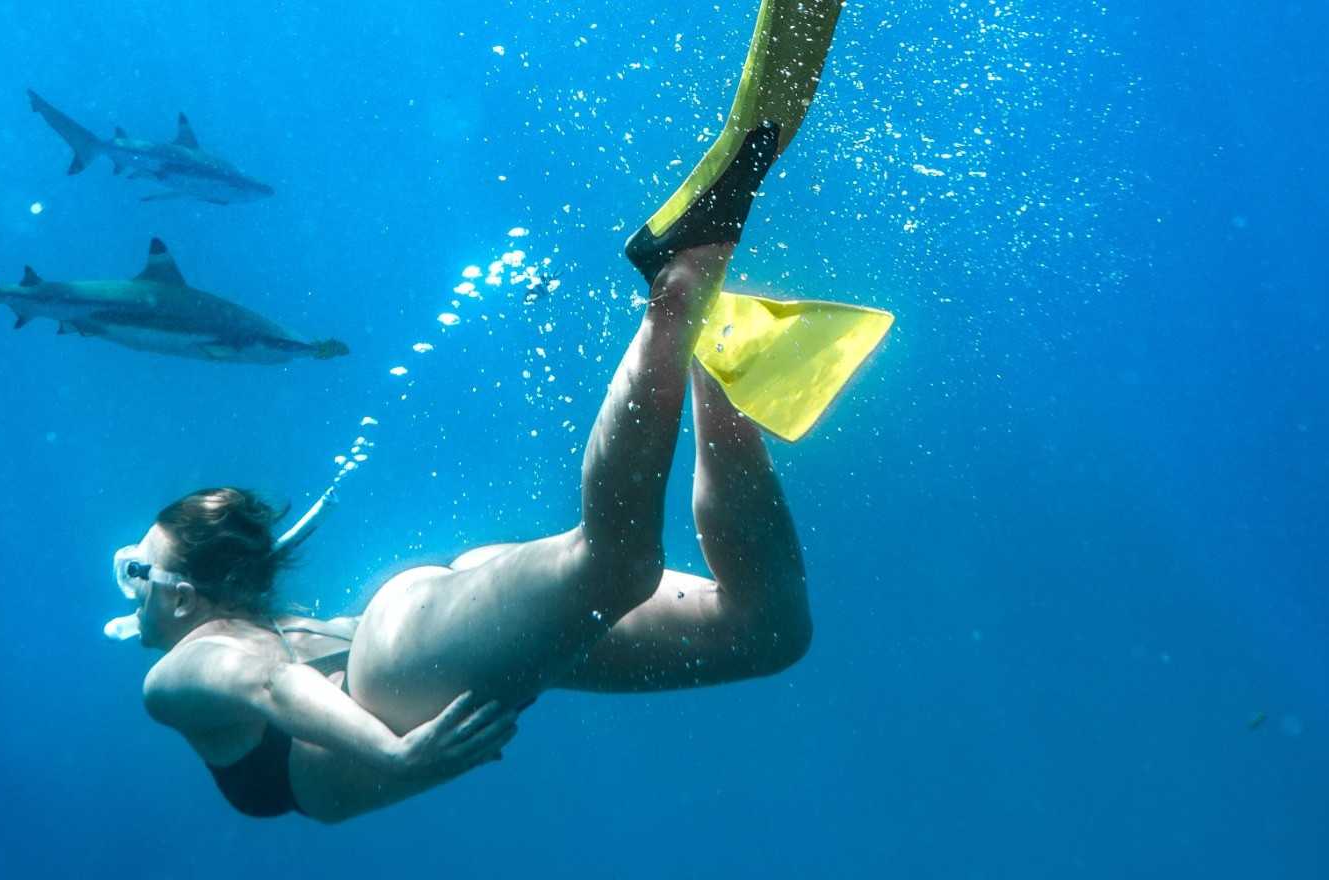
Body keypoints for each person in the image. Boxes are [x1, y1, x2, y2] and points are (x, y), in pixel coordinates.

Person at [114, 0, 875, 823]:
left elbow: (261, 676)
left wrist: (393, 753)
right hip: (439, 638)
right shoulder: (230, 628)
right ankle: (718, 370)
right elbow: (268, 665)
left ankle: (678, 286)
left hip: (402, 661)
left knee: (614, 565)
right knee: (765, 630)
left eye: (137, 574)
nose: (132, 596)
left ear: (185, 593)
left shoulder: (177, 676)